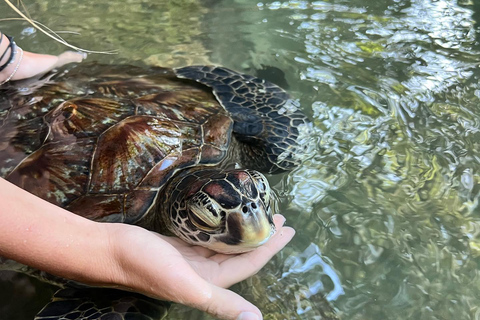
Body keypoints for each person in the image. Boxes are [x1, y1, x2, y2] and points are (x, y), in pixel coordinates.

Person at [0, 32, 295, 320]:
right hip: (62, 90)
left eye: (261, 194)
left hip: (62, 83)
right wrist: (114, 264)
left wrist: (10, 61)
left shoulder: (232, 149)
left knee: (286, 148)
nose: (253, 225)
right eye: (206, 215)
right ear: (179, 215)